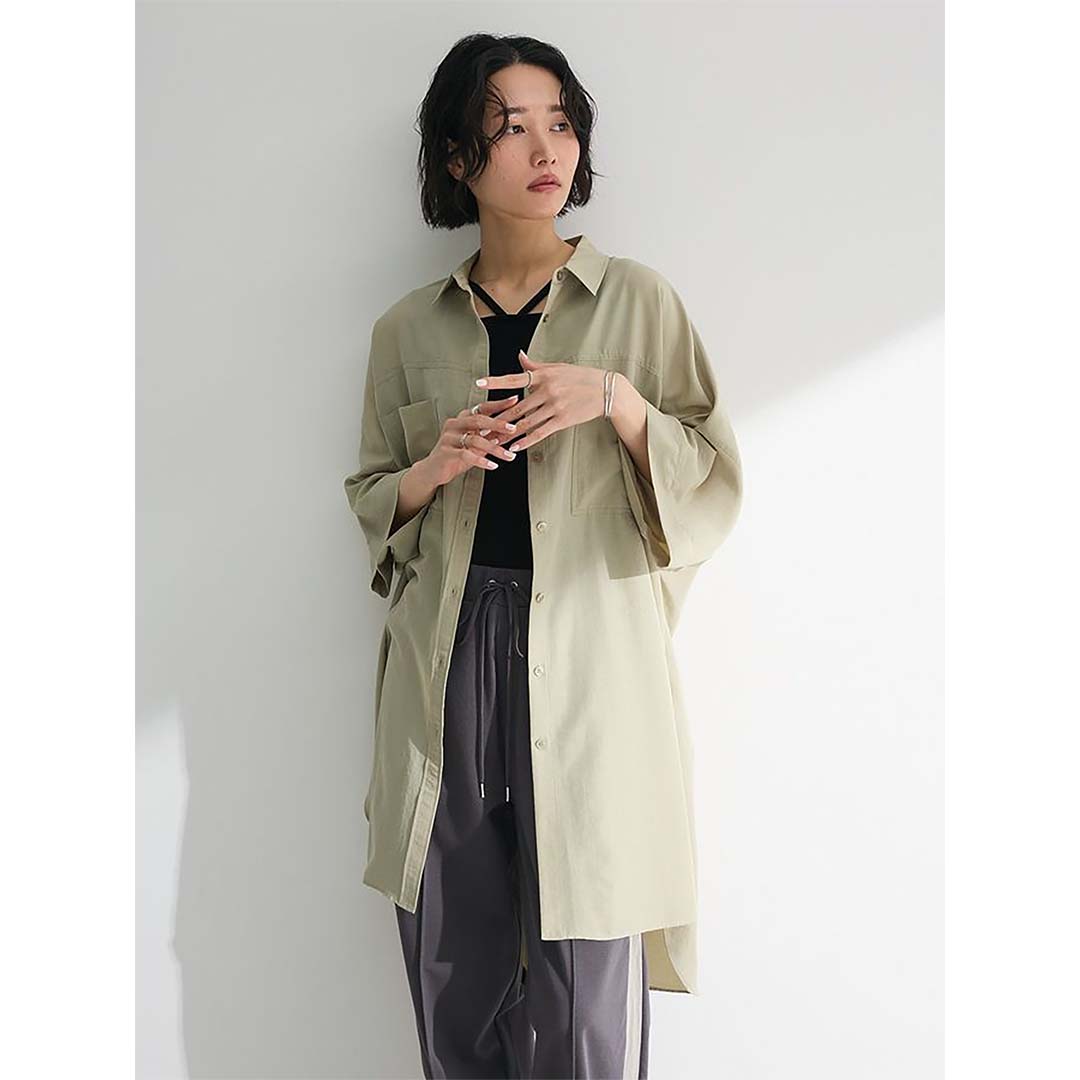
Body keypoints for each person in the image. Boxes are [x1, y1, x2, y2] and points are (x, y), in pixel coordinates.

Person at [344, 32, 743, 1079]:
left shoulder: (638, 304)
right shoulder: (408, 331)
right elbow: (371, 502)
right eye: (510, 127)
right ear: (456, 158)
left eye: (559, 122)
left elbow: (714, 479)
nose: (544, 148)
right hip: (450, 654)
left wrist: (615, 400)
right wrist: (433, 468)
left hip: (592, 651)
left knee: (586, 972)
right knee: (453, 966)